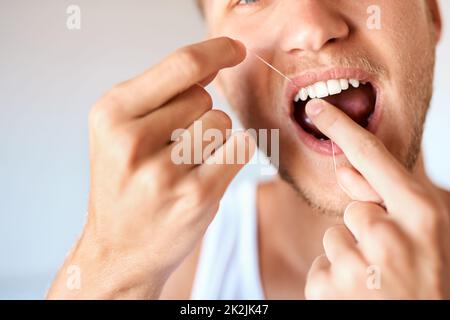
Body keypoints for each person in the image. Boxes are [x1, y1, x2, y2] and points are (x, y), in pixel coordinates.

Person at [47, 0, 450, 299]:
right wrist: (109, 264)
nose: (310, 27)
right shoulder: (173, 270)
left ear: (432, 14)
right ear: (219, 75)